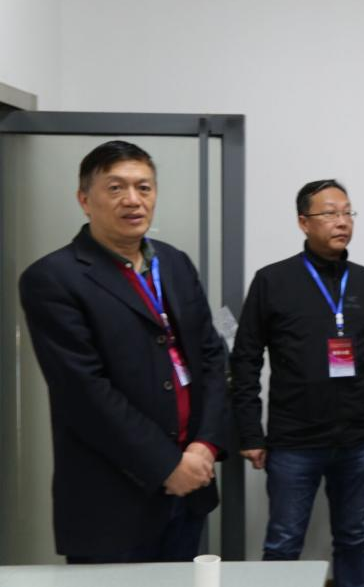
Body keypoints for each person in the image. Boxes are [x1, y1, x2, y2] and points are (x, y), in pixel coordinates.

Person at [19, 140, 227, 562]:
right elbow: (84, 392)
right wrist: (167, 465)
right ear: (84, 200)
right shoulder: (53, 278)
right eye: (115, 188)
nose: (133, 200)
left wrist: (205, 445)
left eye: (144, 187)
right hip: (113, 500)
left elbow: (211, 357)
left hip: (191, 484)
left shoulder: (175, 263)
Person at [230, 179, 364, 586]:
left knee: (354, 538)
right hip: (294, 441)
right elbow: (246, 360)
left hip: (356, 438)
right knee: (284, 542)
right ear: (303, 222)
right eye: (330, 213)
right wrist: (250, 432)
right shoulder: (272, 280)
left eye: (347, 212)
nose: (342, 222)